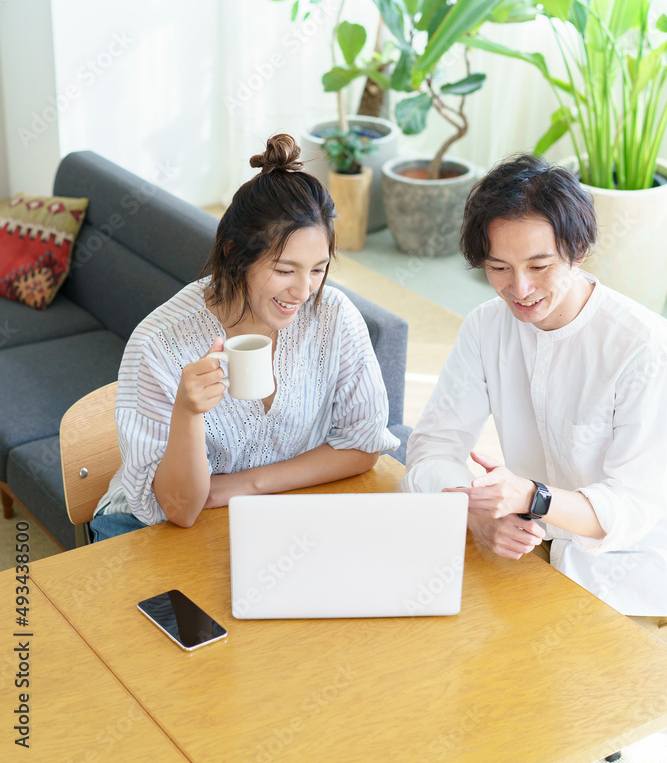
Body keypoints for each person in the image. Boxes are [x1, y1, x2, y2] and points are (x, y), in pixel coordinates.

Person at [401, 153, 667, 638]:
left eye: (539, 265)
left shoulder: (642, 347)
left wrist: (532, 497)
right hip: (529, 554)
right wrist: (477, 515)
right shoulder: (486, 327)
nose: (519, 289)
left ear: (579, 250)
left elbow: (631, 509)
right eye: (498, 267)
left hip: (629, 578)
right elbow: (431, 448)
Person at [91, 134, 398, 540]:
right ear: (236, 253)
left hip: (266, 512)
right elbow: (180, 510)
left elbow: (363, 445)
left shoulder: (334, 315)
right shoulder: (159, 343)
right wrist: (187, 411)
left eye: (318, 269)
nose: (304, 291)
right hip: (150, 529)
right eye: (285, 270)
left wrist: (245, 487)